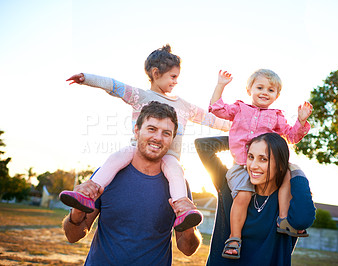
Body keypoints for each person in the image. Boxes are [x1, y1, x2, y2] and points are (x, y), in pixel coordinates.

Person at [59, 44, 230, 232]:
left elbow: (211, 120)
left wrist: (240, 127)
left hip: (169, 155)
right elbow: (114, 85)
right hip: (136, 152)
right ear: (156, 73)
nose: (175, 82)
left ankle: (182, 208)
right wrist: (86, 78)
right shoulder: (140, 96)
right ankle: (89, 192)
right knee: (116, 158)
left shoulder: (184, 106)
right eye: (173, 77)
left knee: (175, 171)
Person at [62, 101, 202, 265]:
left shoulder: (178, 187)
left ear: (171, 139)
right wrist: (77, 212)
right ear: (136, 130)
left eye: (166, 133)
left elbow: (187, 249)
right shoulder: (107, 175)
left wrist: (189, 225)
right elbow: (73, 236)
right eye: (152, 129)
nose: (157, 137)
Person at [208, 70, 313, 259]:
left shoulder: (276, 116)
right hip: (242, 165)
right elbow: (217, 108)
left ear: (277, 96)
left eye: (271, 90)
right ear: (249, 89)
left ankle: (283, 220)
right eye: (260, 87)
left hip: (266, 167)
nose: (265, 92)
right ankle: (234, 238)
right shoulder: (240, 109)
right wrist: (221, 85)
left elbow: (291, 136)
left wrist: (301, 121)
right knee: (244, 195)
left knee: (286, 177)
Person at [195, 134, 315, 265]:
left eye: (263, 159)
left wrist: (297, 171)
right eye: (250, 157)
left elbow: (302, 221)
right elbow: (203, 145)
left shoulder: (287, 200)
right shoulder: (232, 186)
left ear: (281, 165)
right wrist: (243, 137)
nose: (253, 166)